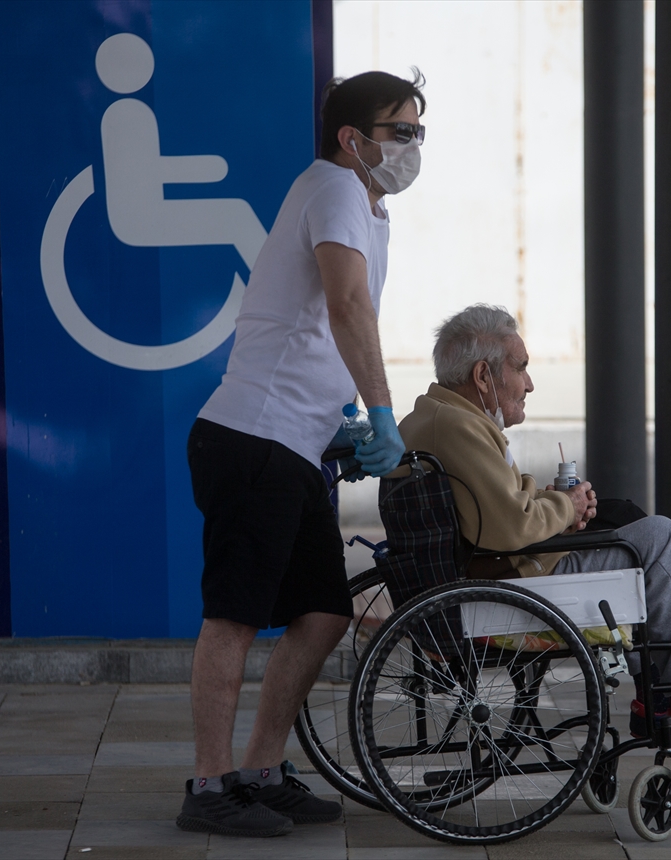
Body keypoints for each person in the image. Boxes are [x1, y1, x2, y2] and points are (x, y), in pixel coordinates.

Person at [177, 71, 426, 838]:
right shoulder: (335, 187)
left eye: (420, 132)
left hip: (291, 444)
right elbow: (346, 304)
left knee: (322, 613)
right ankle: (209, 786)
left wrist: (339, 426)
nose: (414, 147)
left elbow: (315, 329)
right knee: (235, 619)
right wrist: (381, 410)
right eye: (401, 132)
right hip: (254, 439)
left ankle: (260, 768)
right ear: (354, 139)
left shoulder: (364, 204)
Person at [396, 304, 671, 748]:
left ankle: (668, 699)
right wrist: (563, 505)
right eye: (520, 368)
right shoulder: (459, 425)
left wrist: (556, 504)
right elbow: (508, 526)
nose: (529, 383)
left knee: (630, 523)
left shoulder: (432, 416)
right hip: (512, 585)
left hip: (487, 577)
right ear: (483, 376)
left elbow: (497, 507)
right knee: (660, 539)